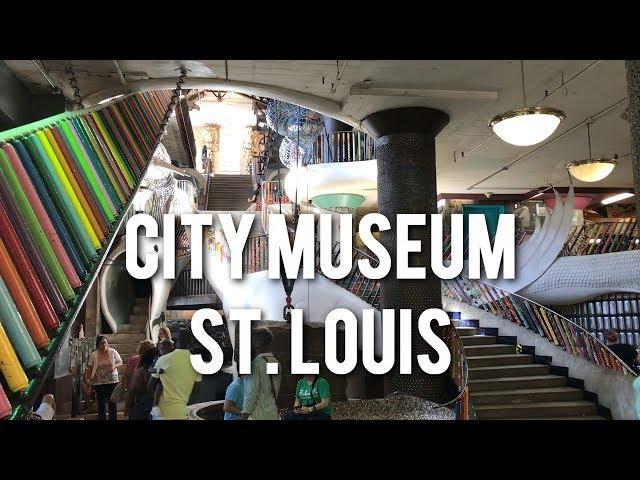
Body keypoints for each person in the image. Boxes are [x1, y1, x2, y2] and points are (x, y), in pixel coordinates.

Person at [148, 329, 201, 420]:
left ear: (176, 340)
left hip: (162, 413)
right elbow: (195, 390)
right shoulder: (197, 363)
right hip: (182, 412)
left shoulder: (163, 359)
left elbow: (150, 386)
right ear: (191, 342)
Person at [240, 328, 281, 420]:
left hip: (257, 415)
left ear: (257, 343)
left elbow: (251, 395)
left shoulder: (255, 365)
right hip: (272, 413)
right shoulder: (276, 363)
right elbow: (273, 389)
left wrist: (243, 417)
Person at [85, 336, 123, 420]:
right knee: (101, 404)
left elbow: (120, 362)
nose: (104, 345)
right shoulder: (94, 355)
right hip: (99, 382)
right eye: (101, 343)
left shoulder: (113, 351)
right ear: (98, 345)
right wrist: (88, 381)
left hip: (112, 381)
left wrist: (114, 366)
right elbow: (90, 367)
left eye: (105, 342)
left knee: (112, 403)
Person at [125, 346, 159, 420]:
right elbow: (132, 390)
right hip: (151, 406)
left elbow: (132, 390)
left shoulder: (142, 371)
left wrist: (128, 406)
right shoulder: (159, 370)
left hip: (145, 406)